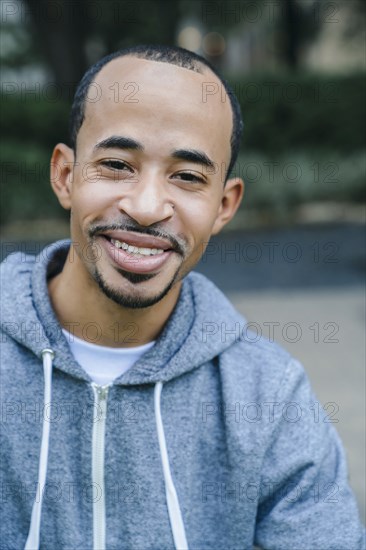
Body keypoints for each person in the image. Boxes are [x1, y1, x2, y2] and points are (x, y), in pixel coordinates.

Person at [1, 45, 364, 550]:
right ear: (65, 175)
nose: (148, 207)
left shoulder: (269, 397)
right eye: (117, 164)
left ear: (224, 205)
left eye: (188, 177)